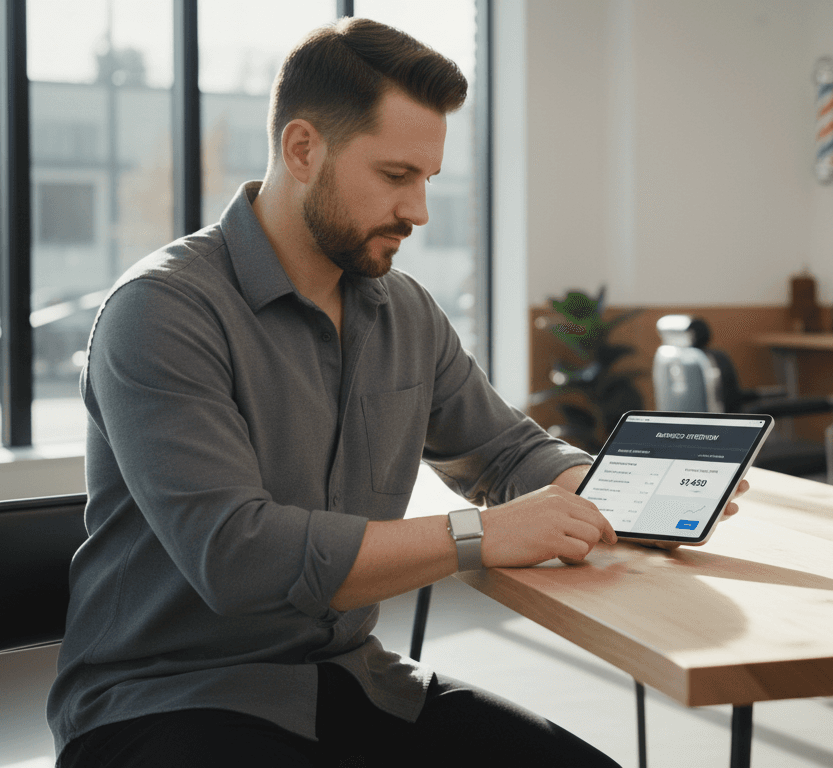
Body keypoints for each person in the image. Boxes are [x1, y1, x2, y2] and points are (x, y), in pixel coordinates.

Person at [47, 18, 752, 767]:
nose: (418, 210)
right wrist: (478, 535)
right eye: (394, 176)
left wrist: (614, 496)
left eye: (427, 180)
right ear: (302, 149)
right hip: (165, 702)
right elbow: (237, 557)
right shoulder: (161, 312)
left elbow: (507, 453)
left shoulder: (405, 312)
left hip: (353, 680)